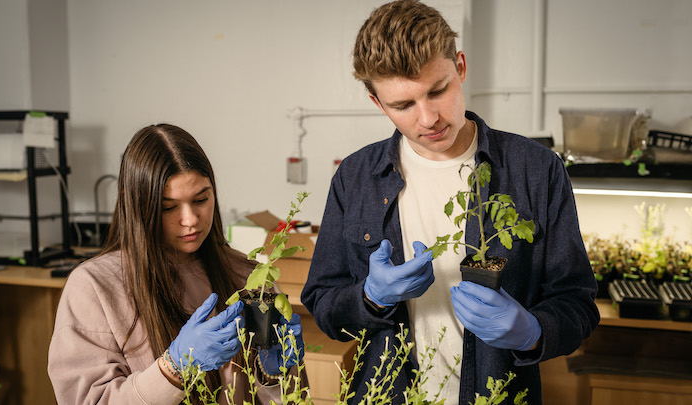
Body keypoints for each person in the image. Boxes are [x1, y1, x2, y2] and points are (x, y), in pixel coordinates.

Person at [300, 1, 599, 404]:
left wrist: (532, 332)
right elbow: (323, 304)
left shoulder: (535, 169)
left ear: (460, 66)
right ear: (377, 103)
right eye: (403, 106)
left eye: (437, 91)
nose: (428, 118)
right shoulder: (355, 178)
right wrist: (371, 296)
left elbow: (577, 303)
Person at [48, 124, 304, 404]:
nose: (190, 219)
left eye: (201, 199)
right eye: (168, 207)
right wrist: (173, 369)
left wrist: (276, 378)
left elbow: (293, 400)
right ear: (136, 206)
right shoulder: (93, 288)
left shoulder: (247, 276)